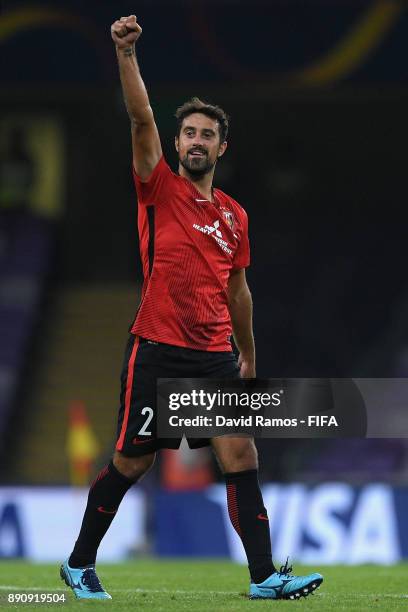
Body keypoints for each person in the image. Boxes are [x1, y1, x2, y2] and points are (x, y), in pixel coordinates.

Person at [60, 14, 323, 601]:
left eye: (207, 134)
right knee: (131, 464)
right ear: (176, 145)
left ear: (221, 147)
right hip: (156, 349)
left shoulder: (235, 216)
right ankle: (78, 564)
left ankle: (262, 579)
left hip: (215, 359)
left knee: (240, 453)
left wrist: (247, 357)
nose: (196, 141)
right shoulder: (158, 186)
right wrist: (126, 54)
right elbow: (140, 117)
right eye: (189, 134)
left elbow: (239, 294)